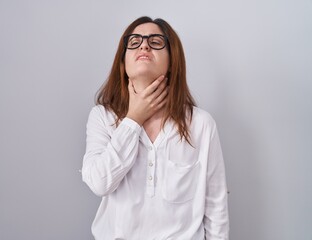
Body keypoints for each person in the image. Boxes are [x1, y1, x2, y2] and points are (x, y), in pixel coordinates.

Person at [81, 16, 229, 240]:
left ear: (172, 61)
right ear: (123, 63)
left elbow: (216, 205)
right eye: (135, 41)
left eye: (156, 41)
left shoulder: (201, 124)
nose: (144, 45)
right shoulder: (102, 117)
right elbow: (100, 183)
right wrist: (133, 119)